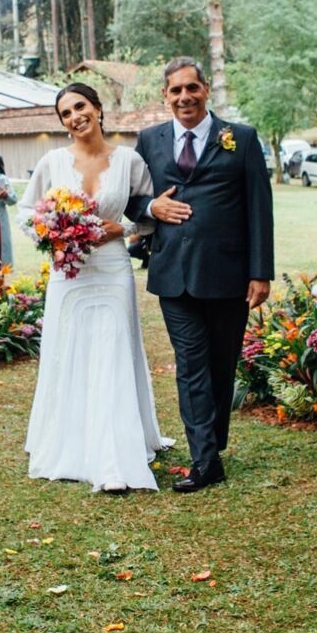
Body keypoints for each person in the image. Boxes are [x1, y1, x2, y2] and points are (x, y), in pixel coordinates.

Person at [130, 58, 276, 492]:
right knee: (191, 363)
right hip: (173, 272)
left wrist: (260, 272)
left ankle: (211, 442)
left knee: (220, 364)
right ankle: (204, 459)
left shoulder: (241, 138)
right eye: (175, 91)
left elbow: (259, 207)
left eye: (191, 88)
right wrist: (150, 208)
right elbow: (132, 197)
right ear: (164, 96)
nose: (184, 98)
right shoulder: (149, 140)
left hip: (229, 272)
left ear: (206, 89)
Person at [21, 83, 169, 491]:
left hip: (112, 268)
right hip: (68, 273)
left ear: (99, 109)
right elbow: (25, 213)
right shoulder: (52, 162)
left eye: (80, 107)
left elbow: (151, 212)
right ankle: (70, 440)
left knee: (113, 349)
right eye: (66, 113)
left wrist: (125, 228)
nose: (75, 117)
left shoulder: (129, 161)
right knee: (68, 348)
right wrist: (52, 234)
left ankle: (115, 449)